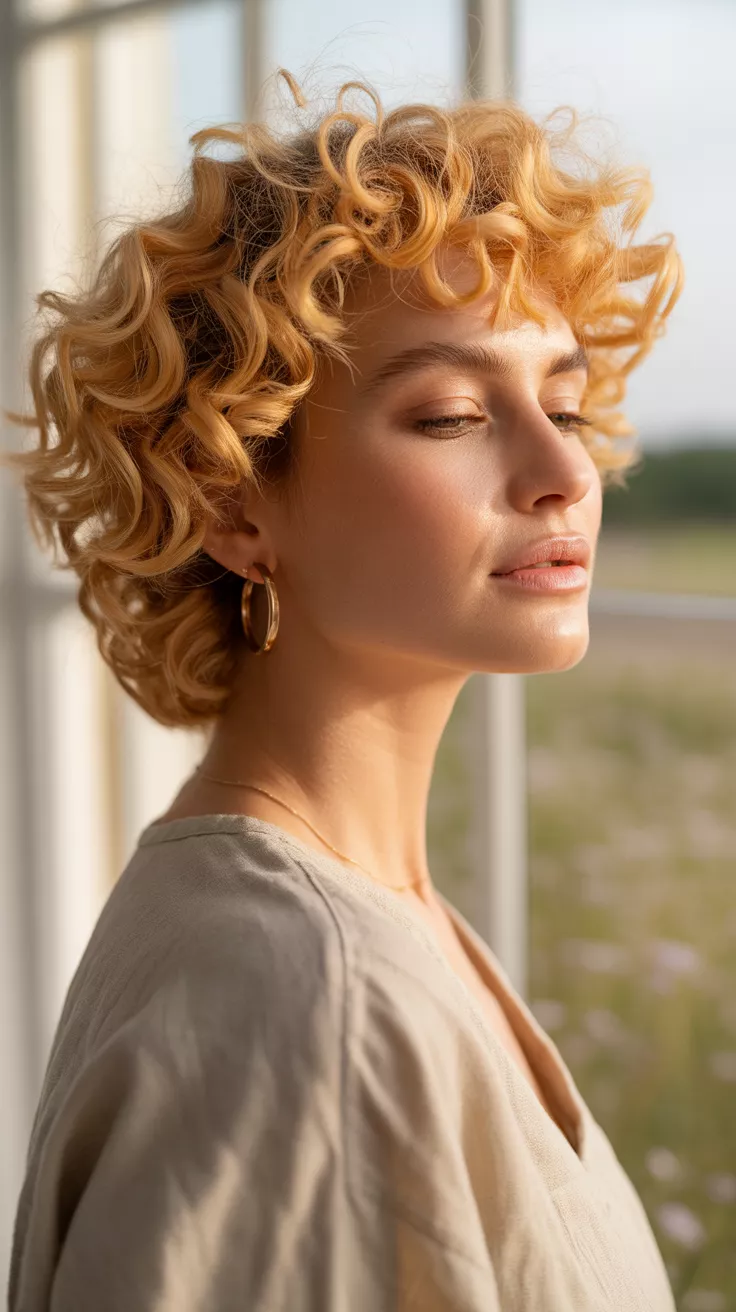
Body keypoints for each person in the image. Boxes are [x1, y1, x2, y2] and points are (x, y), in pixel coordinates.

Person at [3, 68, 683, 1311]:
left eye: (566, 402)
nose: (559, 472)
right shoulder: (310, 1006)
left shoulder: (347, 920)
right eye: (452, 414)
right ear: (230, 503)